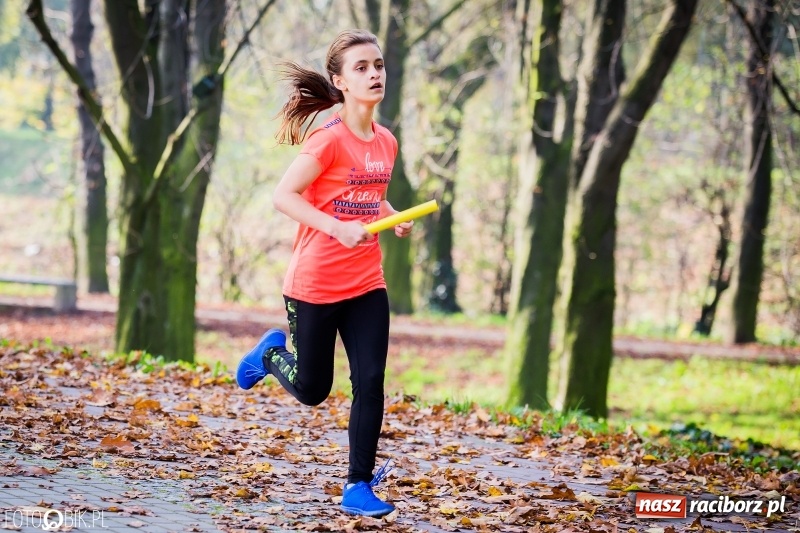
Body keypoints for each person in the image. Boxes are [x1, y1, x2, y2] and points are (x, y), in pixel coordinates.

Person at [235, 29, 412, 518]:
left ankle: (357, 485)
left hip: (366, 284)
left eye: (378, 65)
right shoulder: (327, 139)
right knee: (313, 390)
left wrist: (391, 217)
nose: (374, 74)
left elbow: (367, 193)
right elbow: (284, 196)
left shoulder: (386, 142)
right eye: (361, 68)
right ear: (340, 81)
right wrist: (337, 227)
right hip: (314, 285)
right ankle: (271, 352)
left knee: (370, 380)